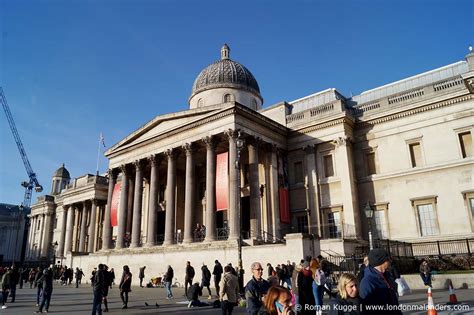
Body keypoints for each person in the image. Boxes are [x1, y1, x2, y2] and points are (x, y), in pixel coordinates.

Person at [359, 248, 402, 314]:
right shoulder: (367, 282)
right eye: (388, 259)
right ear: (381, 262)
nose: (390, 261)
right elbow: (367, 308)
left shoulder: (387, 276)